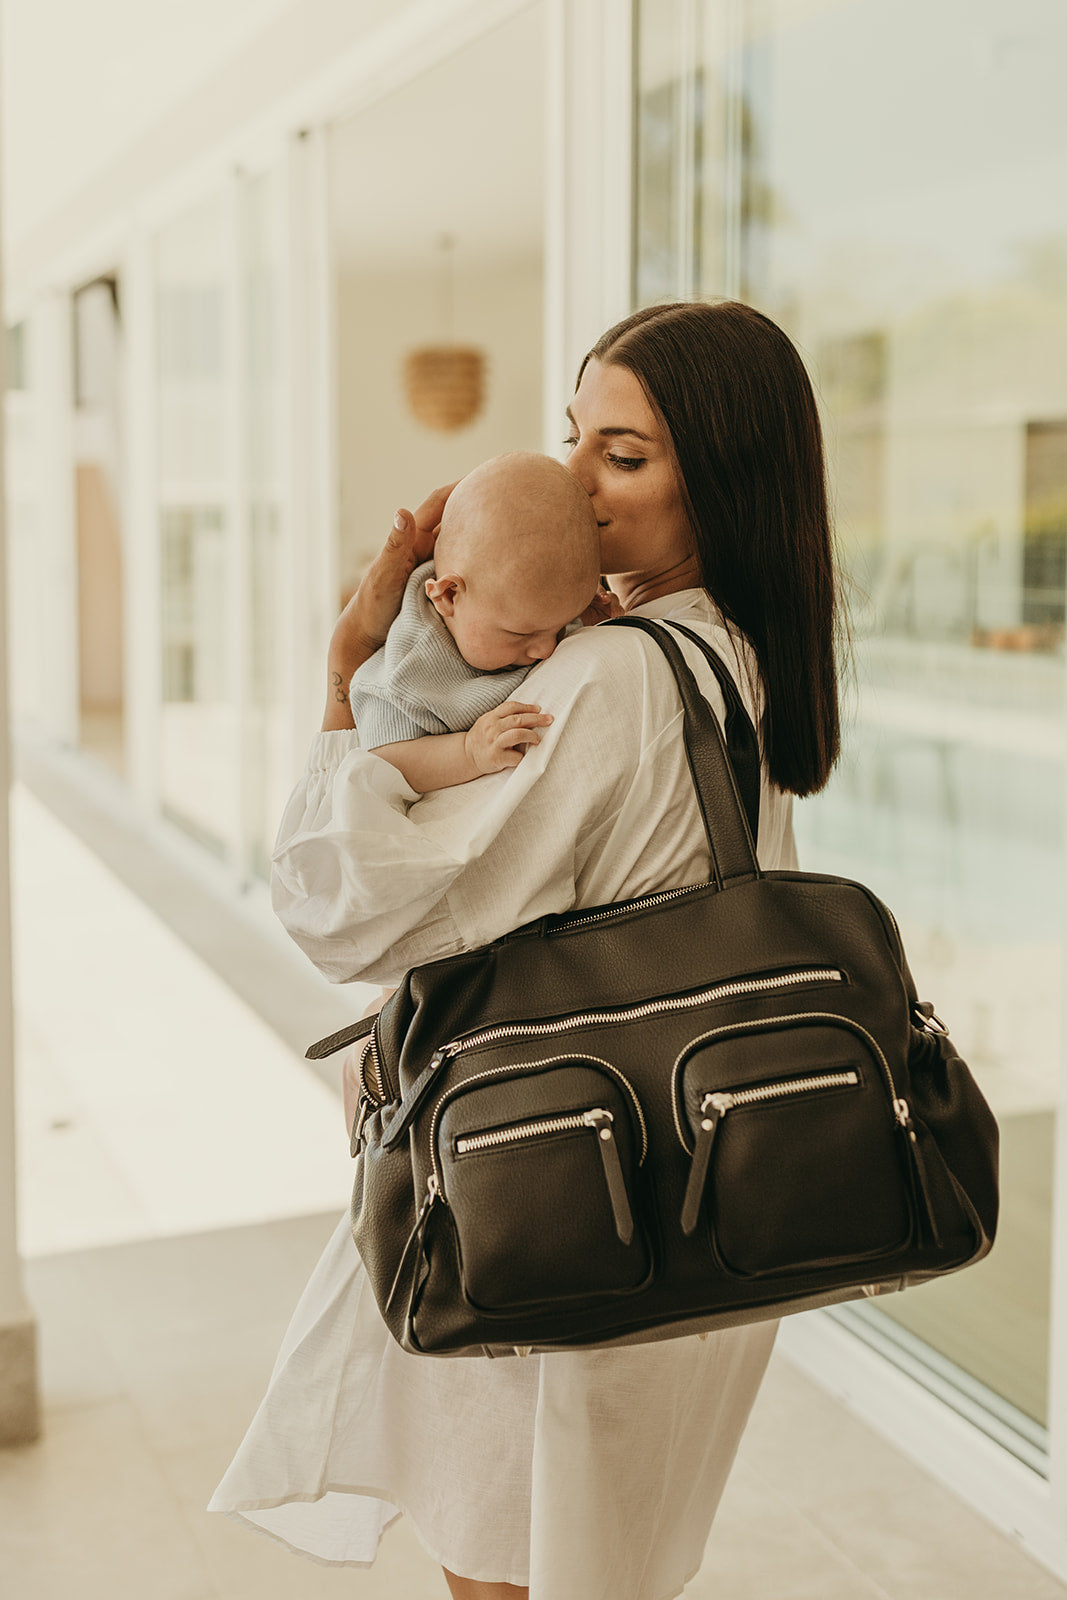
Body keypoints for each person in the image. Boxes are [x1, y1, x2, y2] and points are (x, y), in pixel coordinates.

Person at [208, 299, 841, 1600]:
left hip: (560, 1198)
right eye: (571, 438)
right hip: (703, 1194)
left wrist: (344, 681)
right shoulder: (733, 659)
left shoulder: (604, 679)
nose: (573, 484)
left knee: (505, 1576)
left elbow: (335, 906)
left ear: (715, 477)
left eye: (622, 454)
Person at [350, 450, 606, 794]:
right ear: (449, 596)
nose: (546, 649)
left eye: (559, 625)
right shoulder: (405, 673)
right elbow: (382, 765)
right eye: (521, 633)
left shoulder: (520, 602)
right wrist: (468, 752)